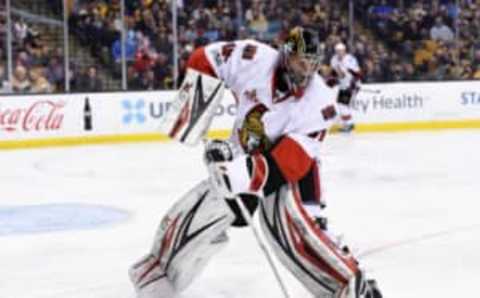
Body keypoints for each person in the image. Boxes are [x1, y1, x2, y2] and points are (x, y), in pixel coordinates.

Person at [129, 27, 382, 298]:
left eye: (312, 63)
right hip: (242, 156)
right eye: (300, 61)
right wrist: (195, 110)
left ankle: (351, 286)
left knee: (290, 230)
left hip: (291, 174)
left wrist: (238, 173)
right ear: (285, 56)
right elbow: (205, 59)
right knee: (207, 208)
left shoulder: (320, 102)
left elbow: (290, 163)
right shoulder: (253, 59)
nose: (306, 71)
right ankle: (158, 274)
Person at [330, 42, 361, 132]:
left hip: (351, 85)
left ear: (344, 51)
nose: (339, 53)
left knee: (342, 105)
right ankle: (349, 124)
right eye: (338, 51)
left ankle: (349, 125)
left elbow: (357, 73)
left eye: (341, 51)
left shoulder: (350, 60)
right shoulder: (333, 60)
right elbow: (337, 74)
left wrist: (355, 83)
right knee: (343, 105)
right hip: (343, 85)